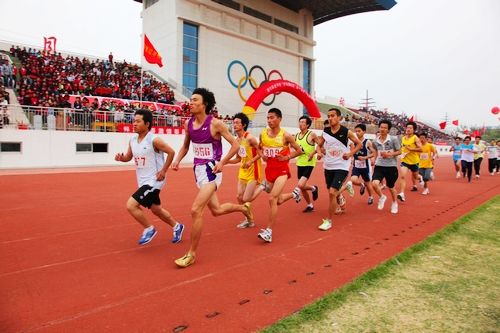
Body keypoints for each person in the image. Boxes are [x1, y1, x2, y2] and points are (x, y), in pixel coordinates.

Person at [171, 88, 253, 267]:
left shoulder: (216, 124)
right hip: (198, 171)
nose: (190, 102)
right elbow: (186, 146)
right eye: (190, 100)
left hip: (212, 171)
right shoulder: (189, 124)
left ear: (204, 104)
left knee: (195, 210)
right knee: (216, 210)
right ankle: (244, 208)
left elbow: (235, 143)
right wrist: (177, 160)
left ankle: (191, 254)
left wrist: (222, 162)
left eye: (195, 100)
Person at [114, 109, 185, 245]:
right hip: (143, 181)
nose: (134, 124)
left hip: (154, 181)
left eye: (138, 121)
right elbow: (129, 157)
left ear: (147, 124)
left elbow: (171, 152)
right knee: (156, 210)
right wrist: (121, 159)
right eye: (134, 121)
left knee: (131, 205)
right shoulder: (133, 140)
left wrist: (164, 171)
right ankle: (177, 226)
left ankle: (149, 228)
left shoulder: (154, 140)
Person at [257, 108, 305, 243]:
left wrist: (286, 157)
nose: (269, 120)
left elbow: (299, 151)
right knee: (277, 201)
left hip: (282, 171)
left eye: (272, 117)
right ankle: (294, 194)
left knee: (272, 199)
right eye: (268, 118)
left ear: (279, 119)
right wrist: (263, 156)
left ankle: (269, 232)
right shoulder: (263, 134)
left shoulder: (286, 136)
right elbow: (259, 148)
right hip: (270, 170)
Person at [315, 108, 362, 231]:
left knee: (332, 192)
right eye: (329, 116)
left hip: (342, 166)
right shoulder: (325, 131)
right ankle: (346, 187)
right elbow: (318, 145)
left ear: (339, 118)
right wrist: (319, 153)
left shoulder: (346, 132)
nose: (330, 118)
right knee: (332, 192)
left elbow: (359, 144)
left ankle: (328, 221)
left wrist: (350, 154)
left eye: (333, 116)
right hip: (328, 165)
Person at [227, 112, 264, 228]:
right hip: (243, 170)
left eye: (237, 123)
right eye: (234, 123)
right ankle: (249, 220)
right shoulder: (236, 141)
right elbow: (238, 158)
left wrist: (250, 161)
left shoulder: (250, 138)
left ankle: (263, 186)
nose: (235, 125)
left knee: (246, 198)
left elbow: (261, 153)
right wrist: (226, 162)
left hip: (254, 170)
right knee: (239, 197)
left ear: (243, 125)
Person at [370, 119, 402, 214]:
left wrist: (389, 154)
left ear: (388, 130)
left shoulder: (393, 139)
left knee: (391, 187)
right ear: (379, 128)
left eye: (385, 128)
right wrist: (373, 158)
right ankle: (382, 197)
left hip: (391, 166)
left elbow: (400, 151)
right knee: (374, 183)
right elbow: (375, 150)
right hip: (379, 165)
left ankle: (394, 203)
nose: (382, 129)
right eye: (381, 127)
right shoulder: (375, 141)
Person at [345, 124, 376, 205]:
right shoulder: (353, 141)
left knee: (368, 183)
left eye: (359, 131)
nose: (357, 133)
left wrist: (365, 157)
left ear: (364, 132)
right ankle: (361, 185)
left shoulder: (367, 142)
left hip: (366, 166)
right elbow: (352, 151)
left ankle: (370, 197)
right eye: (356, 131)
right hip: (356, 165)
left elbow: (374, 153)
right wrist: (351, 157)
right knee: (353, 179)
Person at [294, 115, 320, 213]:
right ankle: (310, 204)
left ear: (307, 124)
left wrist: (313, 153)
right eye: (300, 122)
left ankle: (296, 193)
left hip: (309, 163)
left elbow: (319, 145)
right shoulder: (296, 136)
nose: (300, 124)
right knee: (303, 187)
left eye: (303, 122)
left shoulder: (312, 134)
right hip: (300, 163)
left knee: (300, 185)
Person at [397, 121, 422, 202]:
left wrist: (411, 149)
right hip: (404, 161)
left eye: (410, 128)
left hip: (414, 162)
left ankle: (420, 177)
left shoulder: (415, 138)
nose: (408, 129)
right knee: (403, 176)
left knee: (416, 177)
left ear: (413, 130)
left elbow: (421, 149)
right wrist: (400, 153)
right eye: (407, 127)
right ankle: (402, 194)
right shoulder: (403, 138)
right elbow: (402, 148)